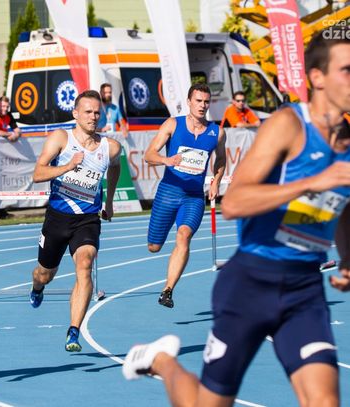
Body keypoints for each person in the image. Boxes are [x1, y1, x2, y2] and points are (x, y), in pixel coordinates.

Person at [123, 32, 350, 406]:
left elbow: (342, 205)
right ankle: (161, 360)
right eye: (346, 70)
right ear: (317, 77)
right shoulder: (289, 125)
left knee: (325, 402)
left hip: (304, 289)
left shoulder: (346, 143)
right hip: (252, 283)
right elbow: (236, 202)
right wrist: (311, 182)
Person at [29, 90, 121, 352]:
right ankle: (37, 288)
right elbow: (38, 174)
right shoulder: (61, 138)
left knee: (85, 263)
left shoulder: (111, 147)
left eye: (97, 112)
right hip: (57, 218)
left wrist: (109, 201)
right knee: (44, 274)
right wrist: (67, 166)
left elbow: (115, 167)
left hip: (87, 219)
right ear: (76, 114)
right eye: (88, 112)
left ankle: (73, 331)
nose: (93, 117)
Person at [144, 83, 226, 308]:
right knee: (153, 247)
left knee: (184, 235)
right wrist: (166, 160)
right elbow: (149, 155)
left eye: (206, 102)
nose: (202, 105)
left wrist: (216, 181)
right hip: (168, 192)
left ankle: (167, 290)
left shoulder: (217, 132)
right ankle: (160, 250)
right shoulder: (173, 124)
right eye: (198, 101)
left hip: (193, 197)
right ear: (189, 102)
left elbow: (220, 159)